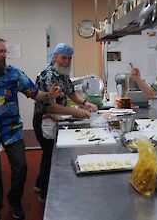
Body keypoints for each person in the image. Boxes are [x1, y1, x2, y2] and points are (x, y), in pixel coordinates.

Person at [0, 37, 61, 220]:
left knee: (21, 168)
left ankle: (15, 201)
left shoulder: (14, 74)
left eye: (5, 51)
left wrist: (49, 94)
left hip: (12, 129)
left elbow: (34, 93)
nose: (4, 55)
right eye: (0, 52)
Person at [33, 43, 98, 203]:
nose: (67, 61)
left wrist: (85, 103)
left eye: (69, 58)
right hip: (44, 120)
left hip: (56, 119)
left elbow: (71, 92)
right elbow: (50, 106)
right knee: (51, 156)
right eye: (64, 58)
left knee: (48, 155)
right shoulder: (47, 76)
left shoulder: (62, 74)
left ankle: (39, 184)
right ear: (55, 57)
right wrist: (75, 112)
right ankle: (45, 195)